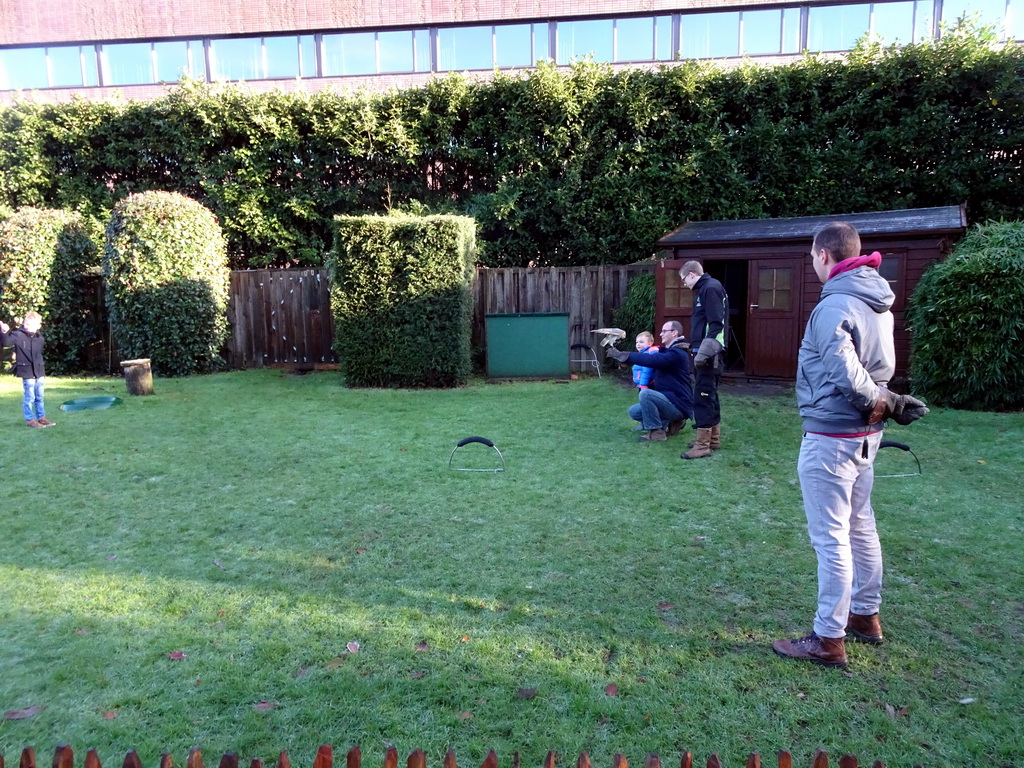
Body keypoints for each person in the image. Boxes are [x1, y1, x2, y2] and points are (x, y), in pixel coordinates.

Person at [772, 222, 927, 669]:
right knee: (860, 525)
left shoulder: (835, 303)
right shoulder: (876, 300)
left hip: (833, 436)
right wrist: (886, 400)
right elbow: (878, 366)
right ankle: (865, 616)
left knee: (832, 538)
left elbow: (845, 372)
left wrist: (882, 399)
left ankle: (827, 637)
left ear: (823, 255)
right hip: (864, 436)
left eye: (811, 257)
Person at [606, 321, 692, 442]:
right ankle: (675, 421)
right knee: (634, 411)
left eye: (664, 331)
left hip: (679, 404)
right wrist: (627, 360)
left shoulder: (676, 354)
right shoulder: (668, 351)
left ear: (674, 333)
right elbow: (649, 357)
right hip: (670, 400)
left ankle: (657, 432)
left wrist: (626, 356)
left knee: (645, 394)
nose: (661, 334)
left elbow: (652, 360)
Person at [678, 260, 728, 460]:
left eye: (684, 280)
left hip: (709, 353)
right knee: (711, 395)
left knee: (703, 396)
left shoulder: (710, 288)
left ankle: (702, 445)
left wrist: (705, 350)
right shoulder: (705, 289)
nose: (683, 284)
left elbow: (716, 323)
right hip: (704, 350)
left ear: (692, 274)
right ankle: (713, 439)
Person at [1, 311, 55, 428]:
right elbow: (6, 343)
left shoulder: (39, 338)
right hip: (27, 371)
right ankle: (30, 419)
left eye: (31, 324)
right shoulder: (17, 335)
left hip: (39, 370)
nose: (27, 326)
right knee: (29, 396)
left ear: (38, 326)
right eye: (26, 323)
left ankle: (41, 417)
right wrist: (4, 332)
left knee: (39, 396)